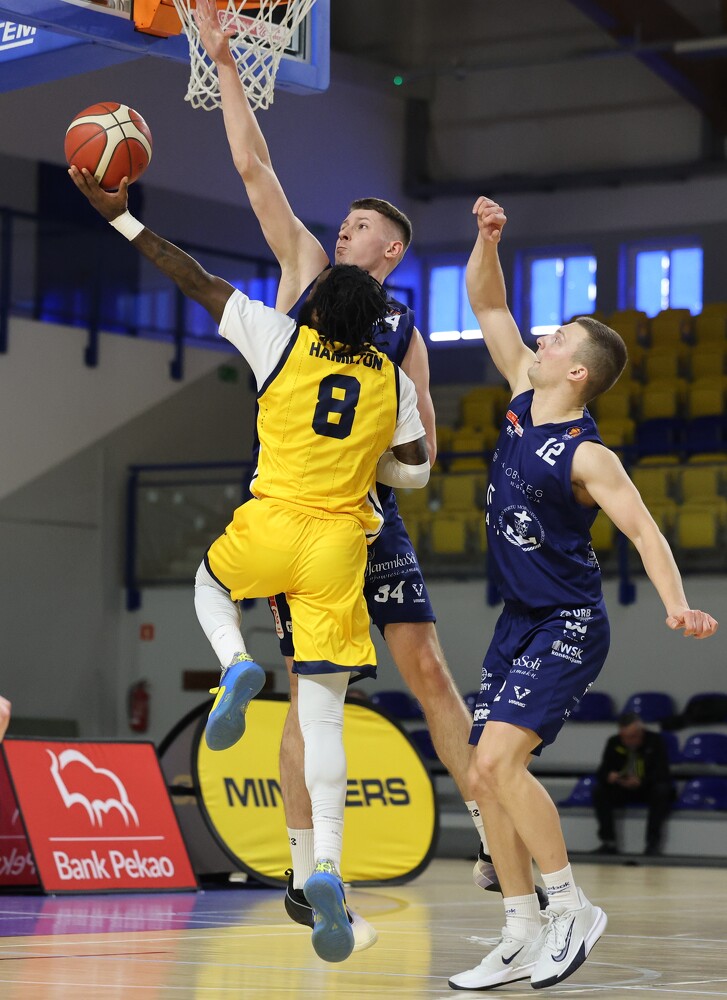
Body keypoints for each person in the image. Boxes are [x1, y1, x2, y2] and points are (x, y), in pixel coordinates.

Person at [191, 0, 505, 943]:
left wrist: (392, 455)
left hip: (369, 515)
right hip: (302, 511)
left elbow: (425, 453)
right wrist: (227, 66)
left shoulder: (402, 333)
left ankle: (491, 830)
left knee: (431, 672)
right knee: (309, 690)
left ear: (390, 250)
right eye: (345, 220)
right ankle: (304, 873)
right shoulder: (300, 263)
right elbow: (254, 168)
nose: (342, 229)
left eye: (360, 224)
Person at [68, 164, 430, 963]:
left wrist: (122, 219)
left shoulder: (279, 337)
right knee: (325, 719)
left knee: (210, 583)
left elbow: (192, 276)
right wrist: (369, 461)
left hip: (271, 520)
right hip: (339, 546)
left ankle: (234, 661)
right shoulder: (389, 380)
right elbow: (416, 469)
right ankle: (327, 865)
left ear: (318, 308)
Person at [449, 196, 719, 992]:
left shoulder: (587, 456)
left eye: (557, 338)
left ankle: (569, 907)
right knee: (481, 777)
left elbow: (645, 533)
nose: (540, 337)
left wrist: (674, 603)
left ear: (577, 373)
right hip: (516, 620)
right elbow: (486, 303)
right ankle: (518, 930)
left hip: (567, 622)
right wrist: (486, 240)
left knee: (499, 761)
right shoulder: (517, 396)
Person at [592, 711, 673, 857]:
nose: (629, 741)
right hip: (622, 788)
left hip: (647, 787)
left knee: (662, 791)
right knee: (599, 791)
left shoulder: (655, 741)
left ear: (641, 731)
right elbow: (602, 771)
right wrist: (610, 776)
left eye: (633, 736)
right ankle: (608, 842)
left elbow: (662, 773)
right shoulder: (613, 742)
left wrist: (641, 781)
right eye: (625, 737)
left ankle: (652, 843)